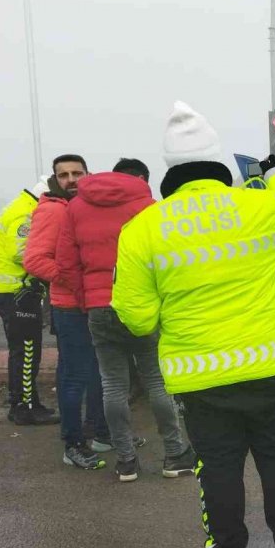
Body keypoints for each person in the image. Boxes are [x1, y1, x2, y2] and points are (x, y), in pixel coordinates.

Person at [112, 102, 275, 548]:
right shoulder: (259, 209)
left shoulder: (142, 229)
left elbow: (137, 317)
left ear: (170, 169)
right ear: (218, 163)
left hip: (200, 376)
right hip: (269, 367)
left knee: (219, 470)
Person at [58, 158, 194, 483]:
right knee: (156, 380)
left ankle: (126, 462)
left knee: (113, 385)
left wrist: (88, 299)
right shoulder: (148, 206)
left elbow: (66, 263)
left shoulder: (75, 207)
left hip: (99, 307)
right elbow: (167, 258)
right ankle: (175, 455)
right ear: (139, 179)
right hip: (141, 305)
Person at [24, 154, 109, 470]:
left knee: (98, 372)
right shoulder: (53, 211)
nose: (71, 179)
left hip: (91, 304)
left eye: (77, 173)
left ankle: (100, 433)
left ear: (88, 174)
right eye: (64, 175)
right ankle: (73, 444)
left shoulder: (86, 207)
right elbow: (35, 260)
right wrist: (73, 281)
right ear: (55, 179)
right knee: (75, 377)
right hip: (70, 308)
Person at [0, 177, 59, 426]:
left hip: (12, 291)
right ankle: (24, 409)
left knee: (21, 351)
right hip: (18, 292)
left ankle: (24, 403)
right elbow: (22, 253)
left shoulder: (20, 206)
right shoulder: (25, 213)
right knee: (28, 353)